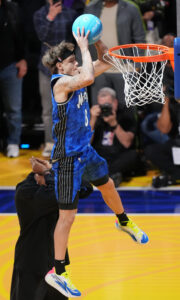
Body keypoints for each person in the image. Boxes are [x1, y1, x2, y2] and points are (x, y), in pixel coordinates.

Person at [41, 27, 149, 298]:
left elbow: (109, 61)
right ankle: (58, 272)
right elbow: (89, 76)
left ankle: (123, 221)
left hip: (85, 151)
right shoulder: (60, 83)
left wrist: (98, 39)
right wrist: (84, 45)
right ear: (59, 65)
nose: (76, 62)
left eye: (76, 58)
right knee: (67, 217)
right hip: (67, 158)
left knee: (108, 184)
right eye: (71, 60)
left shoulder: (76, 74)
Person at [10, 157, 69, 300]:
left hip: (54, 262)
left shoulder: (50, 186)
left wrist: (50, 172)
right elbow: (59, 195)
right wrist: (49, 173)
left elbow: (84, 188)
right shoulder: (26, 191)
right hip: (31, 262)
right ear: (39, 174)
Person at [33, 0, 78, 157]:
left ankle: (68, 142)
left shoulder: (70, 13)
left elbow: (74, 42)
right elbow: (41, 36)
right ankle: (50, 142)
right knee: (48, 109)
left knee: (69, 106)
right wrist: (50, 17)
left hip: (66, 68)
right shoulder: (39, 14)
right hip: (46, 68)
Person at [84, 0, 146, 107]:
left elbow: (139, 38)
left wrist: (137, 66)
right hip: (99, 69)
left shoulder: (131, 8)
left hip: (126, 68)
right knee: (99, 110)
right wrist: (85, 67)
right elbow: (83, 38)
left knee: (128, 109)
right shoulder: (90, 8)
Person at [90, 87, 146, 186]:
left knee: (133, 155)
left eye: (107, 105)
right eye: (101, 105)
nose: (105, 108)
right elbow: (86, 144)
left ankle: (105, 175)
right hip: (100, 157)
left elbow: (127, 143)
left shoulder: (126, 114)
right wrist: (93, 119)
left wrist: (114, 123)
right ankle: (110, 175)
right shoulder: (94, 116)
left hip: (119, 156)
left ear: (115, 102)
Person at [0, 0, 27, 157]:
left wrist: (23, 59)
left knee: (14, 109)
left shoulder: (13, 9)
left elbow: (22, 34)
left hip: (11, 65)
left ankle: (13, 142)